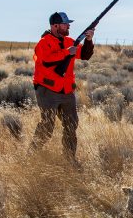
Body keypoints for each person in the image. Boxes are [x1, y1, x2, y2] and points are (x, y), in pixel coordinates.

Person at [30, 11, 95, 167]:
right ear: (55, 26)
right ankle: (31, 157)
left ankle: (69, 160)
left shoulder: (69, 41)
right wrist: (66, 53)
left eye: (68, 24)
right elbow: (45, 61)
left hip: (66, 91)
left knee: (71, 126)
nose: (68, 26)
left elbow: (85, 55)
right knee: (47, 125)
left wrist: (89, 40)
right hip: (47, 90)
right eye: (66, 24)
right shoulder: (44, 42)